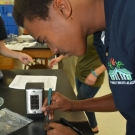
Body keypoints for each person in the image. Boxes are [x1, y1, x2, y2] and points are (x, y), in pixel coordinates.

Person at [13, 0, 135, 134]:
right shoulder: (102, 35)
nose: (54, 51)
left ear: (62, 8)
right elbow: (126, 95)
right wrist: (73, 105)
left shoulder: (130, 17)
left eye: (45, 39)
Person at [49, 35, 106, 133]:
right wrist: (60, 58)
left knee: (81, 103)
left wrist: (96, 73)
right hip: (80, 73)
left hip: (92, 77)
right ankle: (93, 126)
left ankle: (91, 126)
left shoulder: (101, 34)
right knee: (85, 102)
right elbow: (75, 50)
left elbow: (112, 58)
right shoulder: (86, 32)